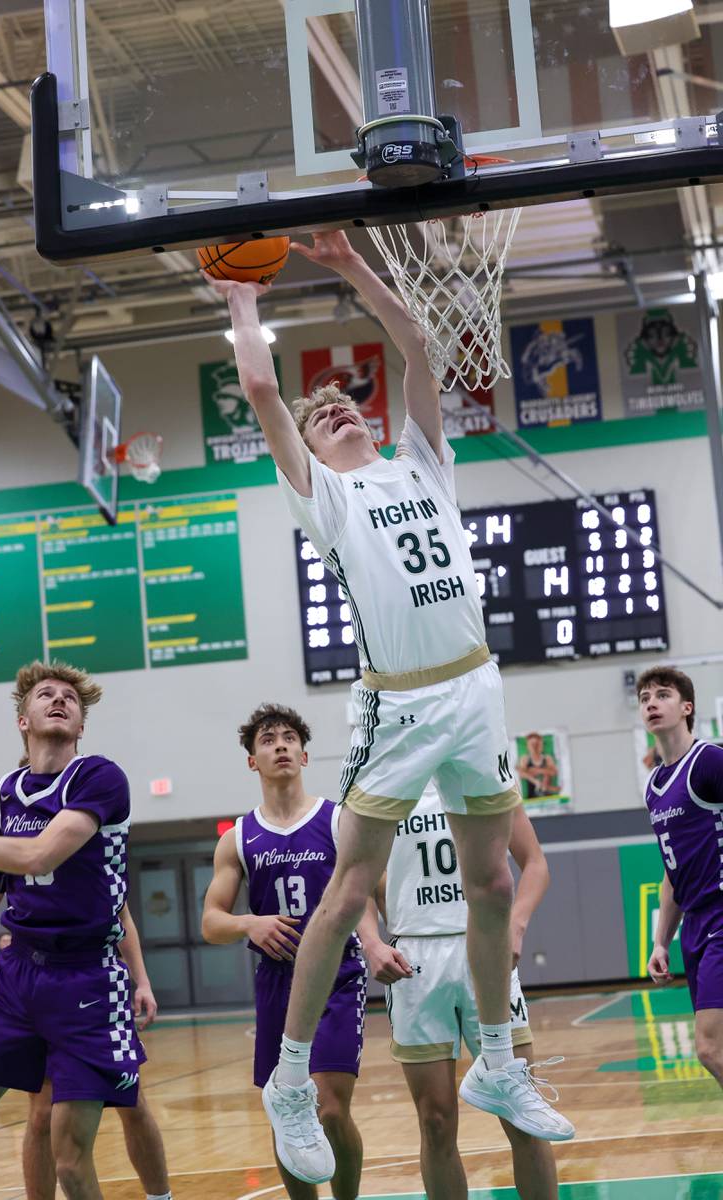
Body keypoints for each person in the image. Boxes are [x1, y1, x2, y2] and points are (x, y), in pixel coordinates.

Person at [212, 229, 573, 1182]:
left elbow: (415, 346)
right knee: (347, 894)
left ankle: (498, 1060)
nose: (334, 411)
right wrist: (242, 301)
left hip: (475, 686)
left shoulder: (422, 463)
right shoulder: (326, 499)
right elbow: (260, 391)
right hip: (400, 706)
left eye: (341, 403)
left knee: (493, 883)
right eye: (320, 413)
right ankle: (288, 1081)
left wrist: (349, 265)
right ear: (316, 450)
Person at [0, 659, 147, 1200]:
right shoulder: (5, 792)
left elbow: (41, 851)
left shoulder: (99, 777)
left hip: (87, 979)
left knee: (70, 1158)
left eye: (70, 697)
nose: (60, 700)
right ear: (23, 720)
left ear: (81, 724)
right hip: (21, 974)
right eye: (45, 694)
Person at [359, 783, 559, 1200]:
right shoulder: (383, 781)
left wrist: (516, 925)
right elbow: (355, 882)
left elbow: (535, 863)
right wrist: (372, 943)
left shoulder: (481, 772)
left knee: (524, 1115)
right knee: (435, 1120)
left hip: (484, 947)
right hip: (413, 959)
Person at [202, 704, 366, 1196]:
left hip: (338, 977)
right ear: (253, 761)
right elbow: (211, 921)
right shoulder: (238, 838)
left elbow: (371, 895)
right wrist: (248, 923)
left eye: (289, 737)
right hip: (278, 982)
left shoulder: (339, 820)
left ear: (305, 754)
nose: (279, 745)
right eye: (268, 739)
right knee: (286, 1112)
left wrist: (377, 943)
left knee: (331, 1108)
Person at [0, 895, 170, 1200]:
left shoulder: (95, 852)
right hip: (35, 990)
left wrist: (142, 981)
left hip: (94, 988)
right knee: (40, 1114)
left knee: (133, 1103)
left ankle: (161, 1197)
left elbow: (123, 916)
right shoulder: (12, 853)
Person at [639, 666, 723, 1087]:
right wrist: (659, 941)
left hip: (721, 917)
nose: (651, 702)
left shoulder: (708, 761)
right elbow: (672, 872)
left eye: (663, 694)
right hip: (693, 926)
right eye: (644, 698)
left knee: (710, 1049)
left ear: (686, 706)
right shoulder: (653, 786)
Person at [516, 733, 559, 801]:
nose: (535, 747)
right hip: (531, 795)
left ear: (541, 745)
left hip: (548, 793)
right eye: (532, 745)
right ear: (528, 746)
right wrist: (535, 781)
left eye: (537, 744)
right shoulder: (525, 759)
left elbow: (554, 772)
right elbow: (521, 774)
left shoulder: (547, 758)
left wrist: (536, 770)